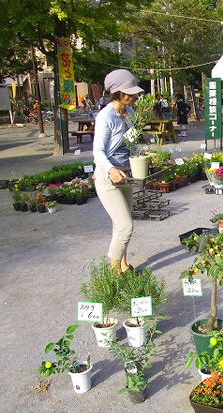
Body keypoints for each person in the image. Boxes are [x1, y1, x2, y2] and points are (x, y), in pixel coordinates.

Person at [92, 69, 144, 274]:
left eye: (132, 92)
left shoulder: (130, 113)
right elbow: (97, 151)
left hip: (126, 175)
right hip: (108, 178)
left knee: (119, 224)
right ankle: (113, 276)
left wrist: (141, 155)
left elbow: (131, 142)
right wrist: (111, 169)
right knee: (126, 226)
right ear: (116, 93)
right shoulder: (106, 116)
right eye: (127, 92)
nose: (132, 96)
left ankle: (123, 264)